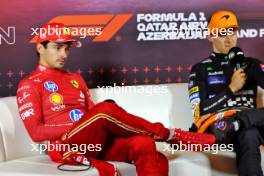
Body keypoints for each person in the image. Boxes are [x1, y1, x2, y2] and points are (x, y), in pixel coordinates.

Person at [17, 23, 215, 176]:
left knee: (144, 144)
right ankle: (171, 135)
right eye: (57, 47)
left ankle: (164, 135)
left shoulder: (75, 78)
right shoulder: (29, 84)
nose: (64, 54)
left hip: (93, 139)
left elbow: (94, 116)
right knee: (106, 110)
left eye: (67, 49)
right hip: (68, 145)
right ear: (40, 47)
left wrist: (91, 121)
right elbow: (36, 132)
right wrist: (81, 123)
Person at [188, 10, 264, 176]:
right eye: (222, 34)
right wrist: (231, 89)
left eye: (232, 32)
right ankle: (238, 122)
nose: (229, 39)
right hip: (221, 127)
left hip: (252, 122)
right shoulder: (199, 69)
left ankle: (240, 121)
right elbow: (199, 111)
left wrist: (256, 71)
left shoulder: (251, 64)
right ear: (210, 36)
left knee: (249, 129)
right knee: (249, 134)